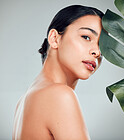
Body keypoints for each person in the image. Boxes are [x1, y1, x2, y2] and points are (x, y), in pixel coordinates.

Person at [12, 5, 104, 140]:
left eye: (102, 45)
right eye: (86, 37)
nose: (97, 52)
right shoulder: (59, 95)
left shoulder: (24, 100)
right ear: (55, 38)